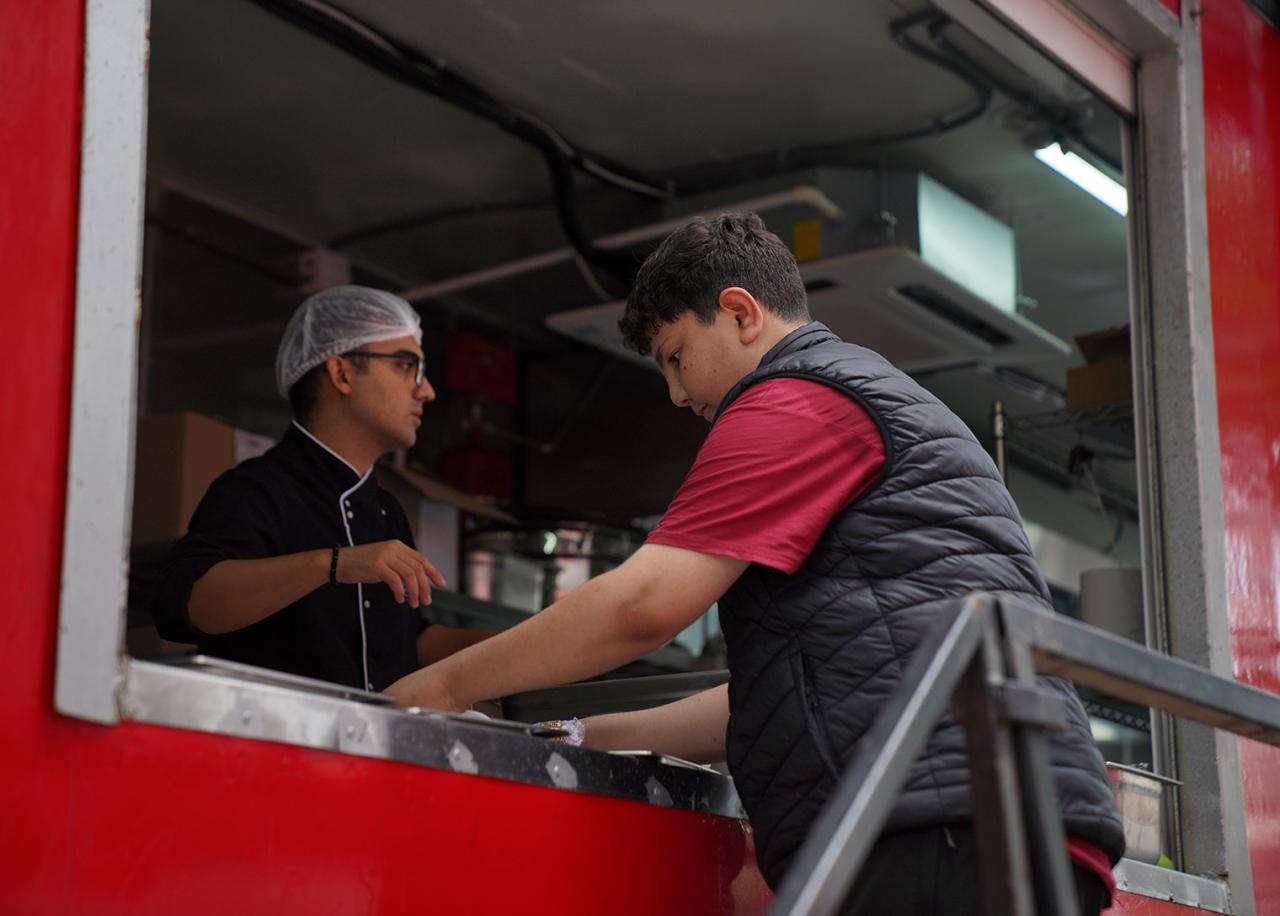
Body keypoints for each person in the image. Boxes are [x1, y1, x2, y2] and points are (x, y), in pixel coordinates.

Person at [385, 214, 1124, 913]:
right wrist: (584, 737)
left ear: (740, 313)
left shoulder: (802, 398)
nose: (677, 394)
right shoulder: (863, 396)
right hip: (1002, 822)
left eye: (677, 357)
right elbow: (778, 699)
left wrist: (443, 685)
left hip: (937, 827)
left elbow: (643, 604)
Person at [153, 285, 492, 692]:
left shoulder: (387, 512)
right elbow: (189, 602)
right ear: (342, 373)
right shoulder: (256, 489)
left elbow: (401, 646)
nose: (426, 390)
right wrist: (333, 564)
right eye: (406, 366)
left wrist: (518, 645)